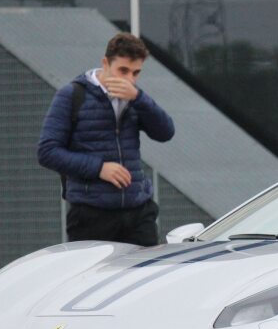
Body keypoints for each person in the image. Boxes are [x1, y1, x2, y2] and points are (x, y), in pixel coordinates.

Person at [37, 32, 175, 245]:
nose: (129, 79)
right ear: (105, 63)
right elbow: (47, 152)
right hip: (91, 213)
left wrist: (139, 99)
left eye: (136, 73)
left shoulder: (135, 98)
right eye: (123, 70)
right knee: (93, 277)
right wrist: (99, 168)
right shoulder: (72, 95)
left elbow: (165, 132)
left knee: (144, 276)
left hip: (138, 210)